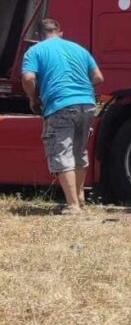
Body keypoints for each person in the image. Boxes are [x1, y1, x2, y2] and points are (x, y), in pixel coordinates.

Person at [21, 19, 104, 215]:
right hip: (87, 104)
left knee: (62, 151)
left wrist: (33, 98)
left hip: (60, 105)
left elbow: (28, 78)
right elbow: (99, 78)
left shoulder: (35, 51)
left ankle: (73, 206)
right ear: (60, 32)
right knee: (79, 151)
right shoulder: (79, 49)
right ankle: (80, 198)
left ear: (39, 35)